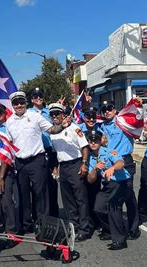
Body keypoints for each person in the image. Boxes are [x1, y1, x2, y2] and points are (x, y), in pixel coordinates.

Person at [5, 91, 52, 234]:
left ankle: (43, 224)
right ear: (12, 105)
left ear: (26, 103)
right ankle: (26, 223)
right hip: (20, 162)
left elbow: (51, 129)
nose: (19, 105)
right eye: (16, 103)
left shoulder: (35, 116)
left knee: (40, 194)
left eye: (21, 102)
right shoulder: (9, 121)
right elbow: (10, 143)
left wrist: (62, 125)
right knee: (23, 195)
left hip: (36, 160)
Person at [48, 103, 92, 241]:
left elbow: (84, 147)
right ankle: (74, 226)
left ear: (63, 114)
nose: (54, 116)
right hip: (64, 167)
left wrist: (84, 164)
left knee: (81, 198)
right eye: (52, 114)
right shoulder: (53, 133)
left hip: (76, 164)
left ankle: (85, 229)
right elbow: (56, 153)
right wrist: (56, 168)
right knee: (68, 200)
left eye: (57, 113)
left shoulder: (74, 128)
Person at [99, 100, 140, 239]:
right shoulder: (102, 126)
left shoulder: (123, 121)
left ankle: (134, 227)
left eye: (109, 108)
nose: (107, 111)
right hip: (110, 162)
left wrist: (138, 104)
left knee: (127, 195)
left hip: (124, 161)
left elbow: (138, 118)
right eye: (104, 109)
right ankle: (112, 228)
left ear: (115, 110)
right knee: (112, 194)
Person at [87, 129, 131, 250]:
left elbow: (121, 163)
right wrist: (95, 169)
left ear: (100, 141)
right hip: (109, 185)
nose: (93, 143)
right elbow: (90, 180)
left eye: (96, 140)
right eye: (91, 141)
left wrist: (112, 168)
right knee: (98, 207)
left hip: (122, 182)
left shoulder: (109, 151)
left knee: (113, 205)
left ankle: (120, 240)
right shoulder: (90, 157)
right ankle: (109, 230)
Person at [29, 87, 59, 218]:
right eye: (35, 96)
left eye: (40, 95)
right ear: (31, 99)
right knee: (37, 185)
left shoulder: (50, 111)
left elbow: (61, 122)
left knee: (52, 183)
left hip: (50, 150)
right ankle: (37, 215)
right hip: (35, 151)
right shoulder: (28, 113)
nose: (38, 98)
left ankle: (53, 214)